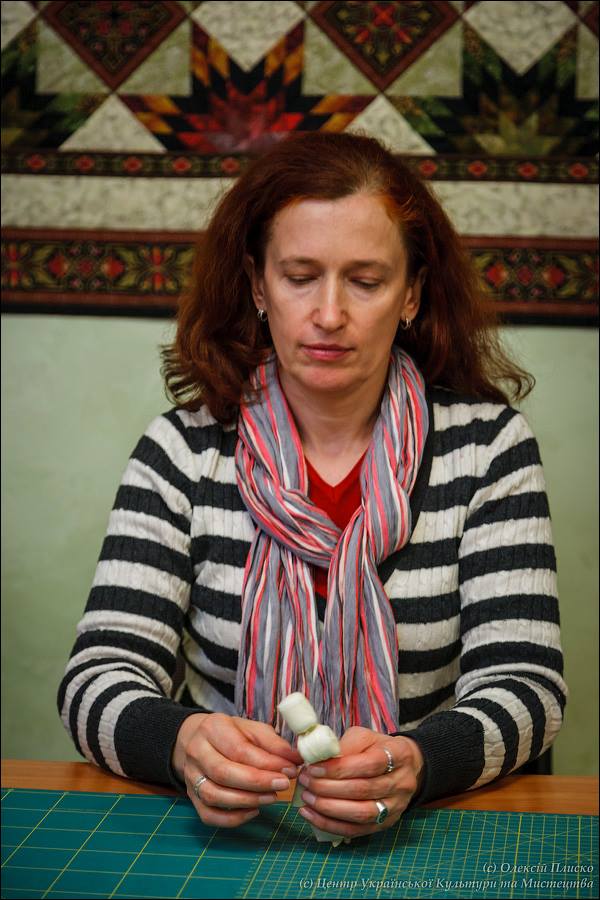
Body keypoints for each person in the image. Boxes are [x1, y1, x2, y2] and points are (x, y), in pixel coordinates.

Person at [58, 131, 567, 840]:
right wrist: (181, 743)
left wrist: (419, 761)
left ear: (412, 293)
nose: (329, 314)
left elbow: (528, 684)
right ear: (257, 285)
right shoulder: (183, 451)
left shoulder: (488, 449)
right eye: (300, 276)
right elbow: (96, 677)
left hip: (426, 831)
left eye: (366, 281)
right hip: (234, 832)